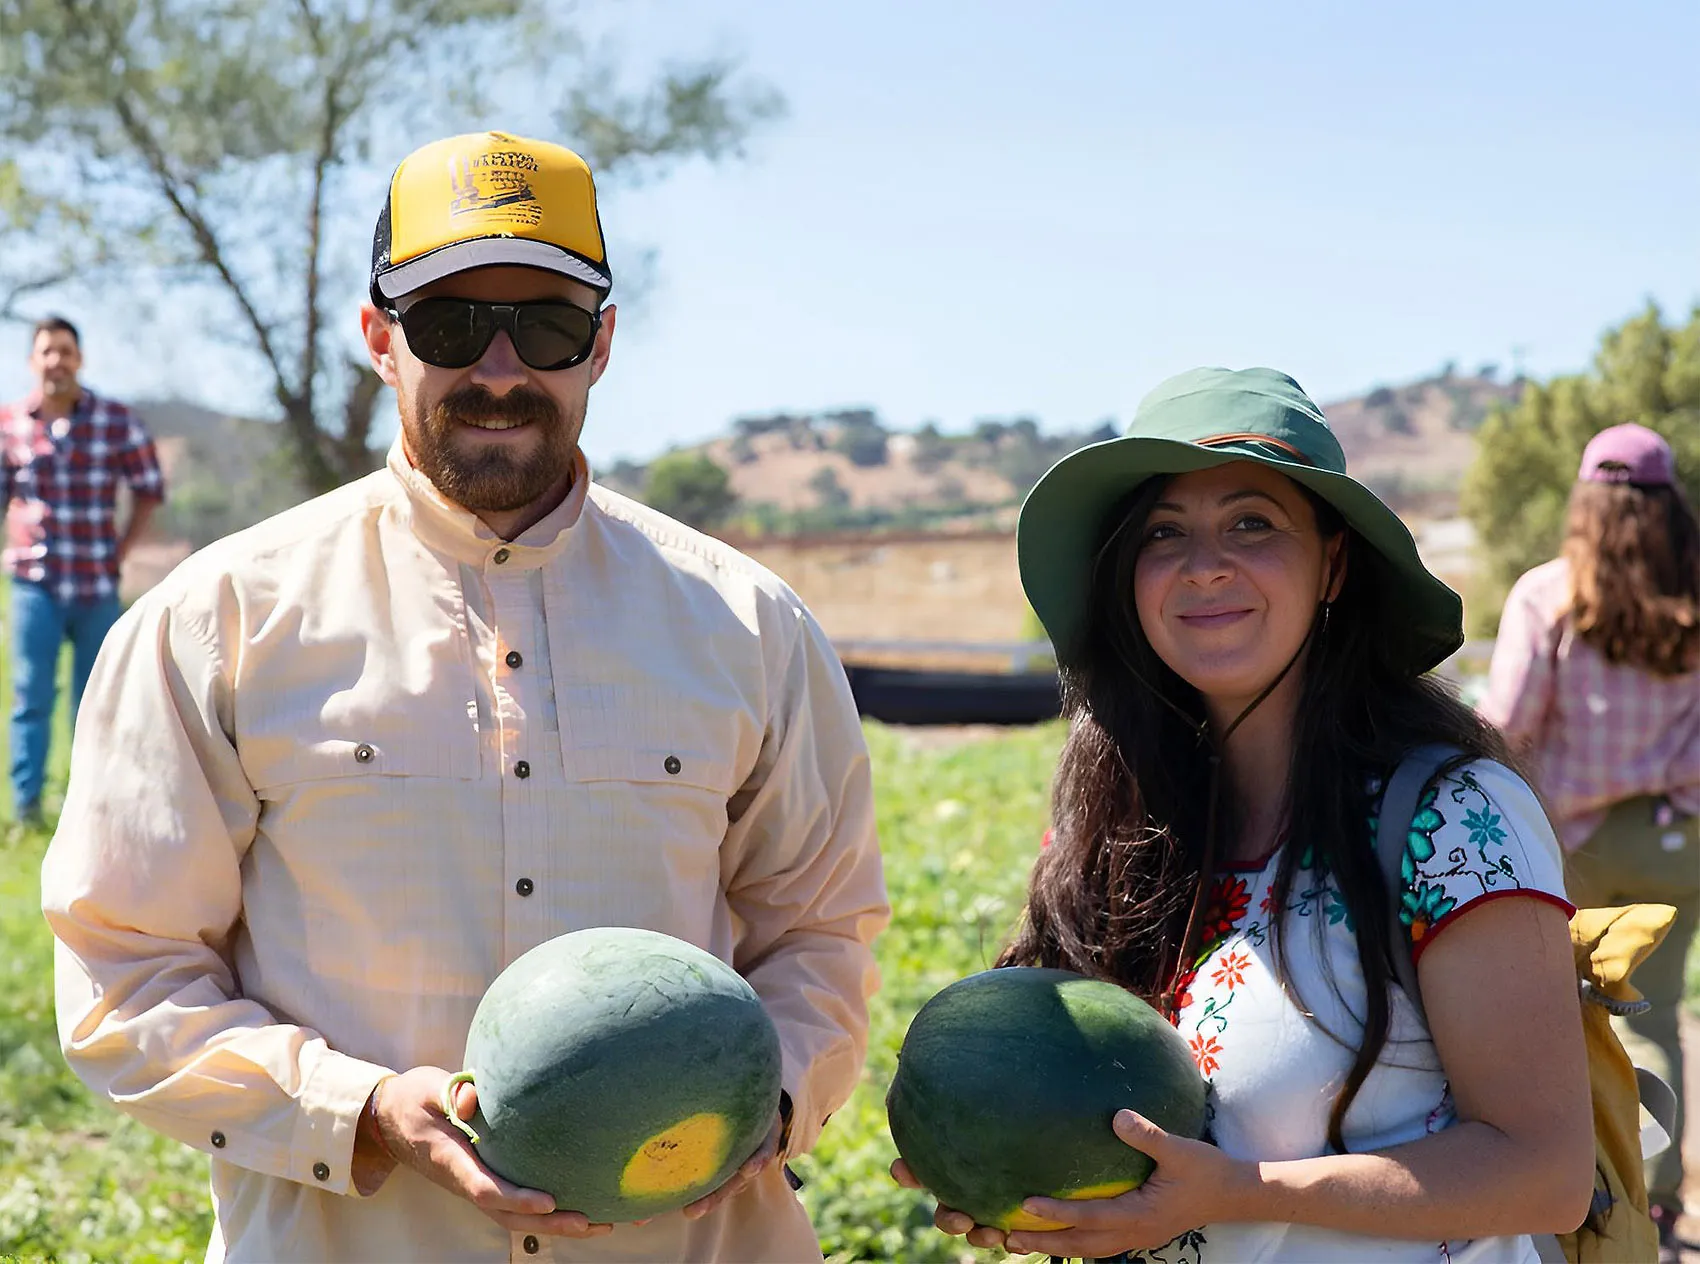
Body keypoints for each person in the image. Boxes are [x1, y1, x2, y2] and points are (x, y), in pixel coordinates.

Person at [41, 130, 889, 1263]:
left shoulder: (749, 625)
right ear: (379, 341)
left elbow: (820, 932)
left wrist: (773, 1099)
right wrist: (358, 1111)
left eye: (544, 326)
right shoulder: (215, 624)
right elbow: (124, 971)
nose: (500, 369)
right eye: (449, 326)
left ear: (601, 347)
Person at [895, 367, 1595, 1262]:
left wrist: (1239, 1193)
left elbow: (1546, 1171)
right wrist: (1000, 1159)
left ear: (1333, 561)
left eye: (1251, 523)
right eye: (1164, 532)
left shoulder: (1453, 821)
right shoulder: (1122, 828)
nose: (1205, 564)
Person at [1479, 422, 1698, 1261]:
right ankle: (1662, 1195)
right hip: (1678, 835)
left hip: (1572, 837)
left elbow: (1509, 726)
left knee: (1562, 1016)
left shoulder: (1549, 594)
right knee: (1654, 1015)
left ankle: (1584, 1197)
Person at [1, 315, 165, 823]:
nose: (57, 361)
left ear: (80, 359)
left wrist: (121, 549)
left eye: (66, 351)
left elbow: (149, 487)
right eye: (47, 351)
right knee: (31, 696)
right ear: (33, 361)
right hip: (34, 586)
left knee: (97, 699)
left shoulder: (115, 420)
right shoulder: (9, 425)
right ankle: (28, 810)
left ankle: (92, 807)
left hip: (97, 585)